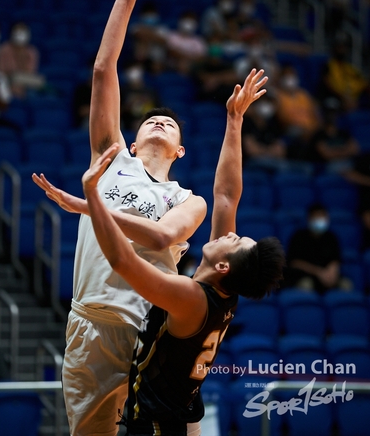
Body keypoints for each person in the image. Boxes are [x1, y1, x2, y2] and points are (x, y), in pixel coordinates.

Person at [32, 0, 206, 436]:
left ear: (180, 151)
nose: (160, 121)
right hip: (90, 319)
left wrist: (85, 206)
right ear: (132, 137)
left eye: (171, 124)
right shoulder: (110, 160)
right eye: (152, 118)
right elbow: (103, 70)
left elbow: (158, 238)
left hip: (152, 326)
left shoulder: (186, 199)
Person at [79, 69, 285, 436]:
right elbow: (225, 198)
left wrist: (89, 201)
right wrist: (234, 120)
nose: (231, 234)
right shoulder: (221, 289)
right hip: (181, 412)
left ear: (223, 264)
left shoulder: (191, 296)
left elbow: (124, 260)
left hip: (160, 424)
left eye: (235, 240)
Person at [286, 204, 351, 293]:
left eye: (323, 217)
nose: (321, 220)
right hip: (306, 277)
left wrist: (332, 272)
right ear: (309, 219)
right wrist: (319, 272)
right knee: (305, 285)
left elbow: (335, 259)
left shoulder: (331, 237)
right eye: (317, 217)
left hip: (328, 277)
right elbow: (294, 262)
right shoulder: (299, 237)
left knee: (346, 284)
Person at [0, 21, 44, 97]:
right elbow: (1, 72)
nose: (20, 34)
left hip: (26, 87)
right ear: (12, 33)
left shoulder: (32, 52)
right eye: (17, 32)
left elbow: (30, 74)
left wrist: (21, 58)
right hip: (6, 86)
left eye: (22, 31)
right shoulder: (4, 49)